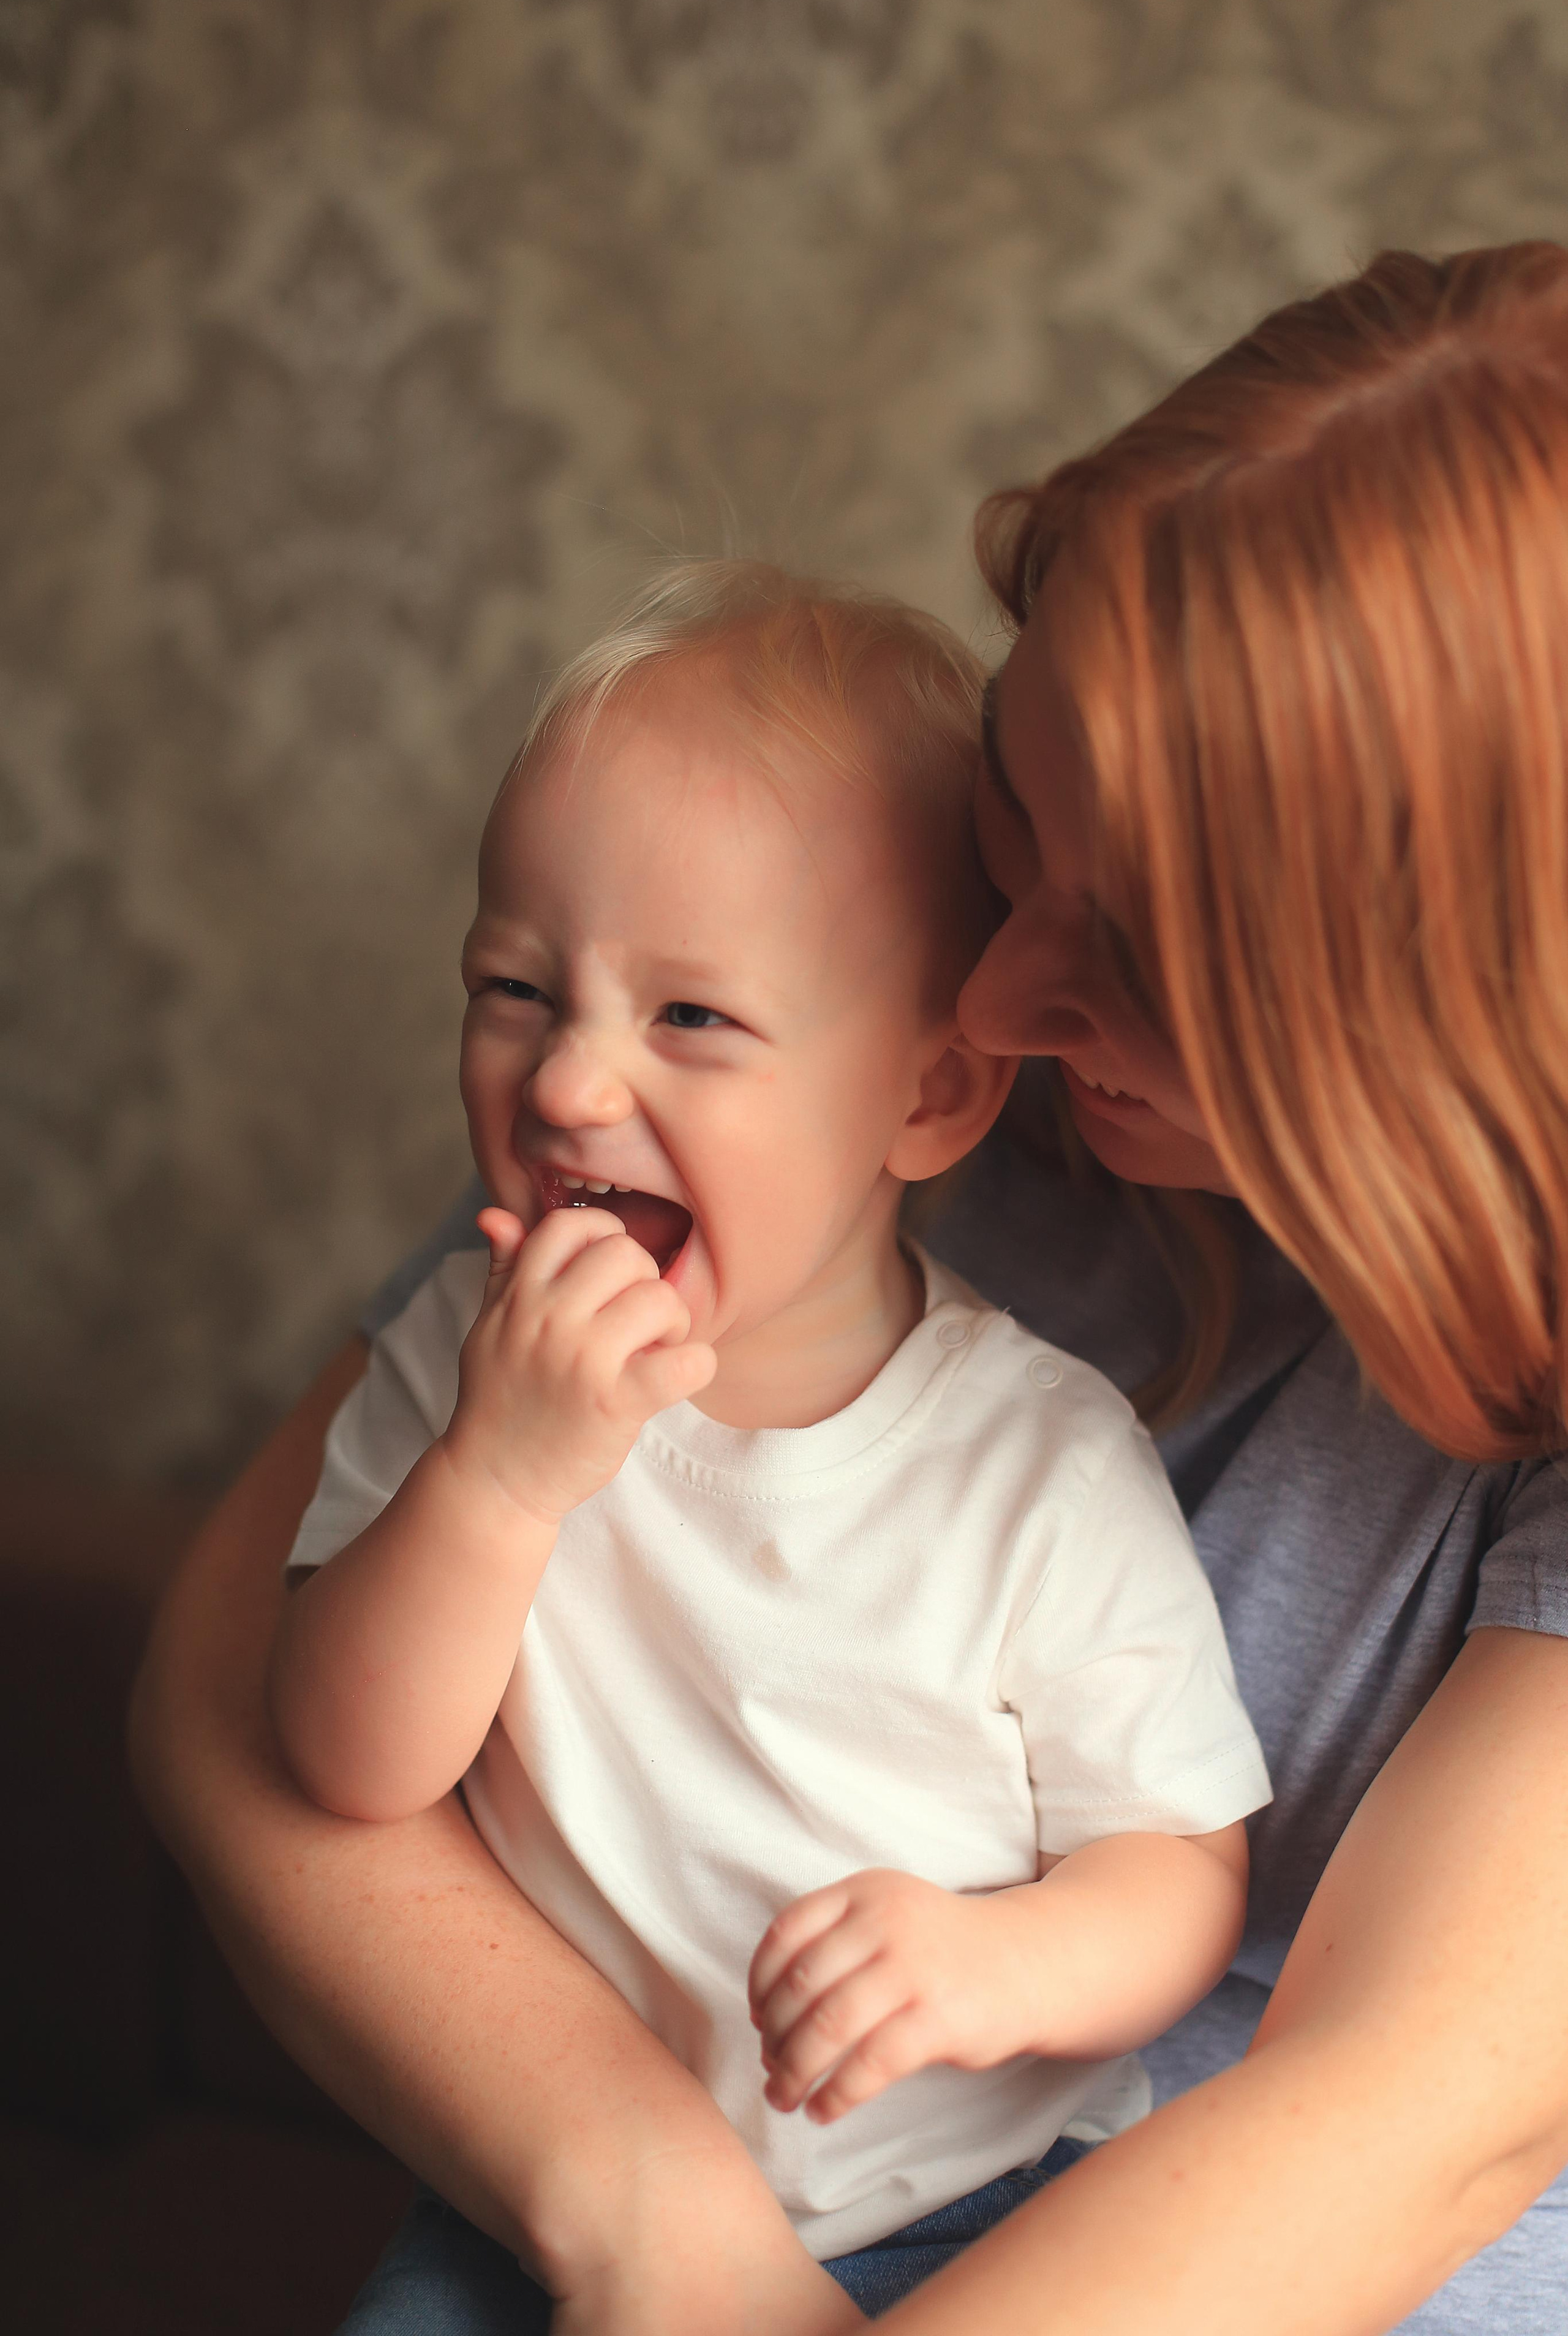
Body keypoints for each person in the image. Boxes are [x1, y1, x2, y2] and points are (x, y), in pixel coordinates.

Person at [130, 240, 1568, 2336]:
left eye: (1141, 952)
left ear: (1429, 1027)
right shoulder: (792, 1059)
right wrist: (654, 2214)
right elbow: (235, 1700)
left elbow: (1408, 2109)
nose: (991, 997)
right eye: (1013, 818)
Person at [265, 563, 1269, 2324]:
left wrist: (996, 1963)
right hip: (539, 2194)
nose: (572, 1084)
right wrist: (497, 1484)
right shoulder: (463, 1360)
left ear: (930, 1097)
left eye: (691, 1018)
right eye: (515, 987)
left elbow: (1177, 1866)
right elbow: (339, 1768)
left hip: (977, 2211)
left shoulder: (1035, 1460)